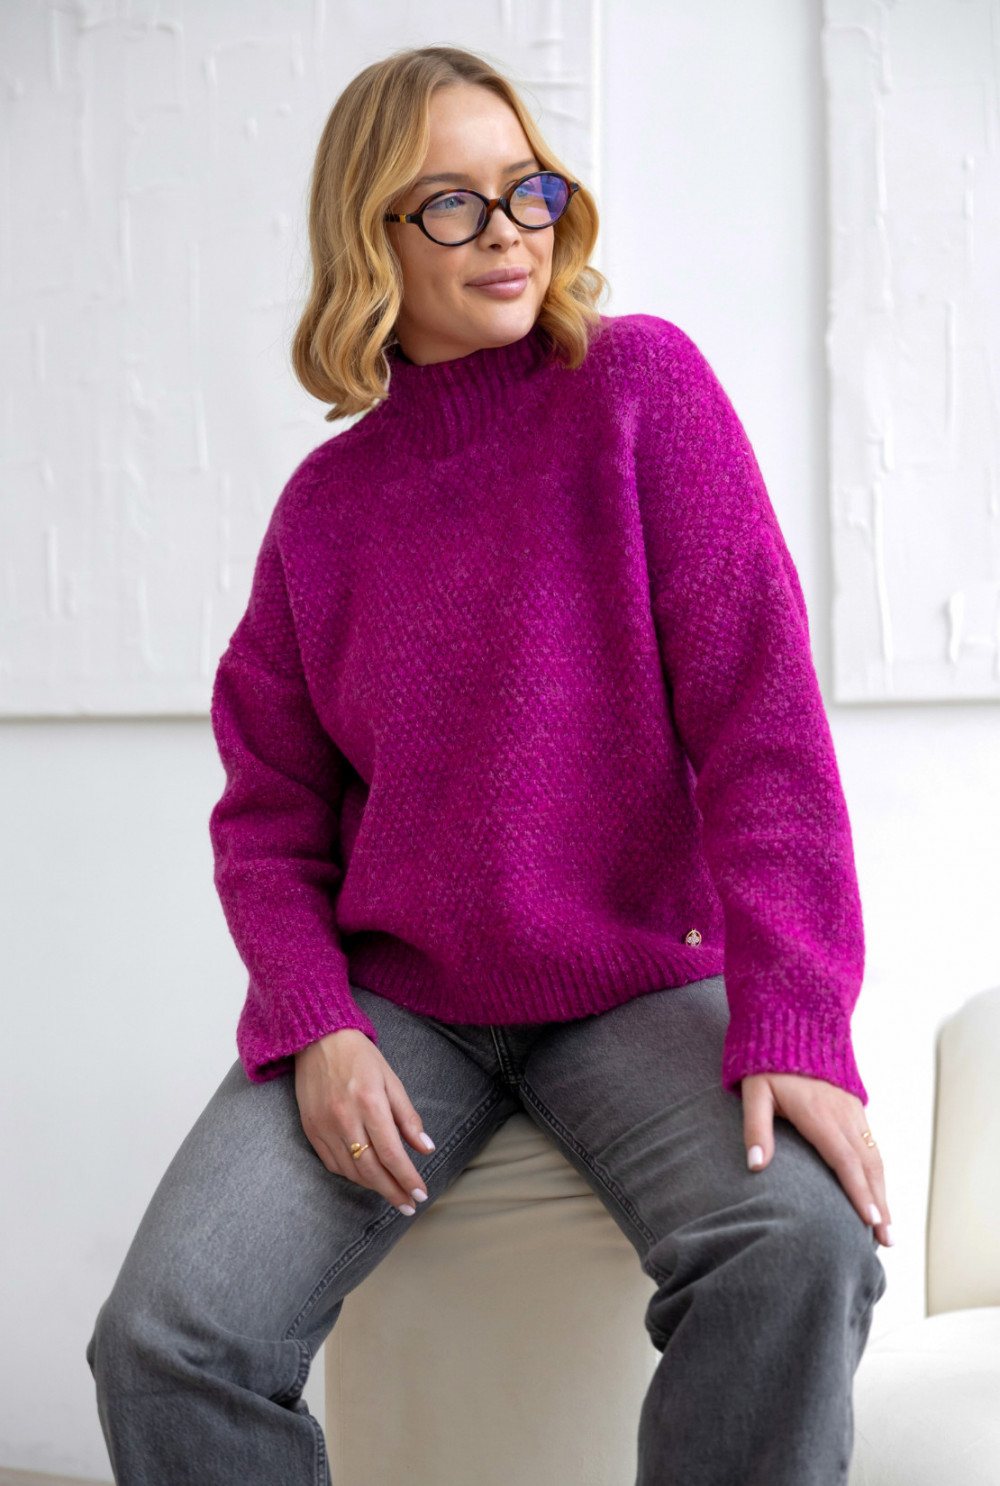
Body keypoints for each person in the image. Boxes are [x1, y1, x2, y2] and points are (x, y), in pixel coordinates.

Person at [86, 43, 892, 1486]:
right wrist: (314, 1022)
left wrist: (795, 1017)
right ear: (372, 240)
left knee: (801, 1245)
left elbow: (762, 720)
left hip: (639, 976)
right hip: (400, 1005)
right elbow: (268, 816)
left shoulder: (640, 388)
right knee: (164, 1339)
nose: (510, 231)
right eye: (452, 203)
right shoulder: (323, 512)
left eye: (527, 187)